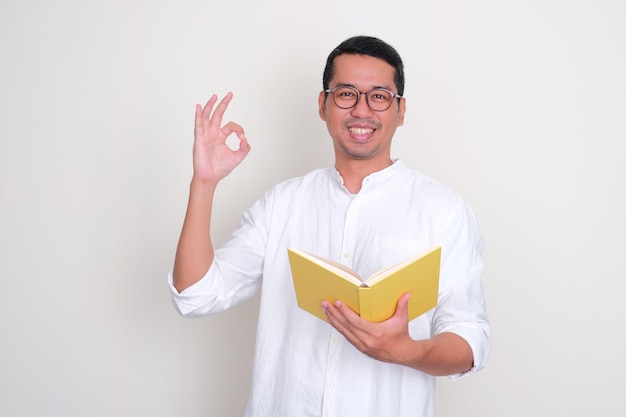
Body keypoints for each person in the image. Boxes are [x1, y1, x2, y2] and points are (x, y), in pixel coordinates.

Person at [169, 35, 490, 417]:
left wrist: (409, 350)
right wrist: (203, 183)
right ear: (323, 104)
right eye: (346, 94)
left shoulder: (444, 210)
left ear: (400, 110)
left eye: (379, 96)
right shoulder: (281, 204)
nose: (362, 110)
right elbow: (195, 296)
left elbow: (471, 340)